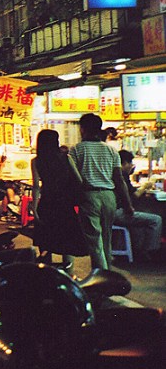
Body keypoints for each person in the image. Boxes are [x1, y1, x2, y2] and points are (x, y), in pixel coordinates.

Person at [68, 113, 131, 271]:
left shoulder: (77, 150)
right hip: (109, 197)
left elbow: (73, 178)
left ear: (82, 129)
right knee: (106, 239)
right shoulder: (111, 151)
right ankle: (107, 274)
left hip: (89, 196)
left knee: (94, 241)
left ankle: (102, 279)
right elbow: (119, 180)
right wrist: (128, 204)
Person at [31, 130, 88, 275]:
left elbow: (36, 186)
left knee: (46, 238)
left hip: (47, 202)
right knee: (66, 238)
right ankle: (69, 274)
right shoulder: (66, 158)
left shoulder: (36, 161)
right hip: (64, 202)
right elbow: (79, 180)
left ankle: (46, 273)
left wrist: (34, 207)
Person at [115, 150, 163, 261]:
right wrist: (145, 186)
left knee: (142, 220)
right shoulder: (122, 175)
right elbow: (133, 196)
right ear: (124, 163)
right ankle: (151, 251)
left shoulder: (117, 174)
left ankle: (139, 250)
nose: (131, 166)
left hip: (114, 211)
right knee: (156, 219)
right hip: (119, 213)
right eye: (130, 163)